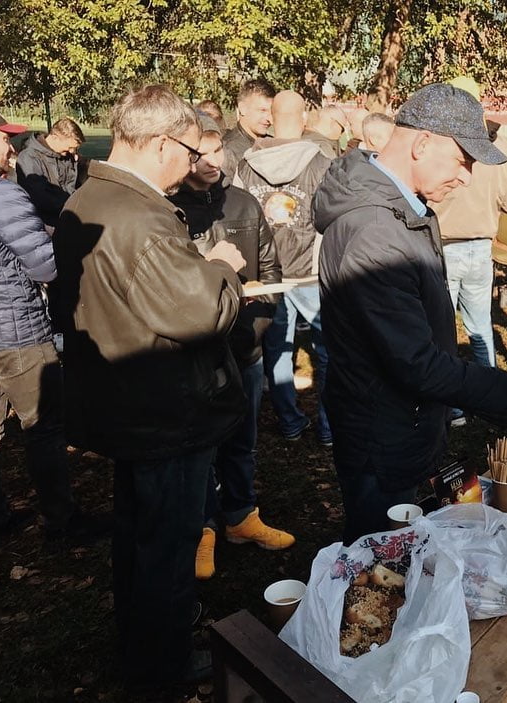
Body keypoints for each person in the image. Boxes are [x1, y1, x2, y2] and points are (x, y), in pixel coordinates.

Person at [314, 82, 507, 543]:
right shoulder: (374, 232)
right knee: (382, 556)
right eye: (463, 160)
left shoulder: (404, 209)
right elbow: (415, 362)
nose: (466, 178)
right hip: (382, 435)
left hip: (405, 423)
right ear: (422, 143)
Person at [52, 85, 247, 688]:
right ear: (162, 143)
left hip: (126, 401)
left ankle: (141, 648)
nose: (192, 166)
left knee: (138, 536)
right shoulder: (139, 216)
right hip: (166, 410)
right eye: (189, 152)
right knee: (167, 544)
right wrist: (223, 268)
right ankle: (163, 668)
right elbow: (201, 313)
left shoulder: (90, 197)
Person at [170, 113, 294, 581]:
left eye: (217, 149)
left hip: (245, 349)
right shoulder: (168, 211)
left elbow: (272, 271)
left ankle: (241, 515)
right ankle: (203, 526)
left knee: (243, 439)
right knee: (202, 443)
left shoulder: (244, 203)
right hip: (197, 353)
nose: (211, 161)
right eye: (200, 152)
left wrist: (253, 330)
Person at [0, 106, 77, 540]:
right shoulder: (2, 195)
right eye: (4, 137)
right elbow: (45, 267)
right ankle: (62, 520)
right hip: (17, 333)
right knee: (44, 427)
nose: (12, 147)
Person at [238, 90, 334, 445]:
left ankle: (290, 420)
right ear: (304, 118)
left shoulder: (246, 165)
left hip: (269, 275)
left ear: (272, 119)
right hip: (311, 272)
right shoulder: (322, 163)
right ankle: (328, 426)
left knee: (277, 349)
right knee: (327, 351)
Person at [431, 76, 507, 372]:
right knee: (481, 326)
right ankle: (490, 387)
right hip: (481, 248)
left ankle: (446, 394)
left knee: (440, 329)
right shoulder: (501, 146)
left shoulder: (438, 142)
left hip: (442, 246)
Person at [15, 117, 86, 227]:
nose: (72, 151)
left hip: (66, 216)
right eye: (70, 147)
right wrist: (72, 206)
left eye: (75, 148)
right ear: (55, 138)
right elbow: (40, 197)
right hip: (42, 222)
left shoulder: (67, 156)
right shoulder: (29, 157)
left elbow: (71, 186)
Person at [222, 78, 275, 177]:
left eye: (272, 112)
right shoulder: (227, 151)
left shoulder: (273, 145)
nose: (269, 118)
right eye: (262, 110)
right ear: (242, 108)